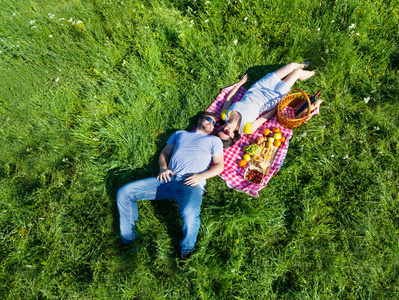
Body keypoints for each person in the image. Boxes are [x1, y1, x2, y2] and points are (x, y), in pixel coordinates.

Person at [116, 112, 224, 259]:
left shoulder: (214, 140)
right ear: (200, 120)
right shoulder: (180, 134)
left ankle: (186, 250)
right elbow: (164, 153)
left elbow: (219, 166)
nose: (212, 124)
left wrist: (201, 176)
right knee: (124, 192)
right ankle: (128, 240)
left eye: (214, 123)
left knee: (189, 214)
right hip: (168, 178)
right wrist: (163, 168)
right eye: (209, 120)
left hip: (190, 183)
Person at [217, 62, 322, 148]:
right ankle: (315, 71)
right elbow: (264, 117)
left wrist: (240, 83)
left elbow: (229, 98)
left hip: (258, 87)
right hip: (271, 99)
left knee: (290, 66)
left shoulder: (225, 115)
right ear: (232, 136)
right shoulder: (246, 128)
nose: (225, 128)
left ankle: (304, 64)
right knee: (297, 72)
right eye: (226, 132)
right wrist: (277, 106)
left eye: (221, 129)